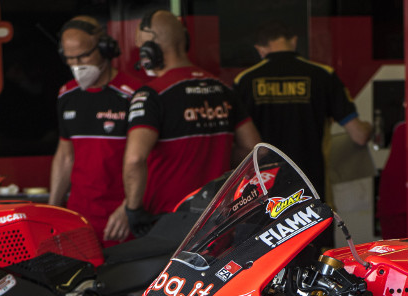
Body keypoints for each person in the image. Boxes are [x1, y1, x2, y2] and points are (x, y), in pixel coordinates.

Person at [104, 10, 261, 242]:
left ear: (150, 51)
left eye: (141, 48)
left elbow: (135, 159)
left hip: (168, 222)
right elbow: (253, 148)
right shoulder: (222, 89)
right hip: (217, 219)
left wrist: (133, 210)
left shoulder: (152, 94)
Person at [234, 20, 372, 196]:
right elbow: (360, 135)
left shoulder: (244, 81)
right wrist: (370, 127)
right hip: (310, 185)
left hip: (262, 187)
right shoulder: (323, 75)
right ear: (294, 41)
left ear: (260, 49)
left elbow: (238, 145)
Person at [48, 16, 139, 244]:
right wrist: (52, 211)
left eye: (84, 56)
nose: (78, 65)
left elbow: (149, 160)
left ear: (105, 48)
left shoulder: (134, 94)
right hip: (79, 218)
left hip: (120, 220)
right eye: (70, 59)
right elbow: (65, 156)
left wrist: (129, 208)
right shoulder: (66, 94)